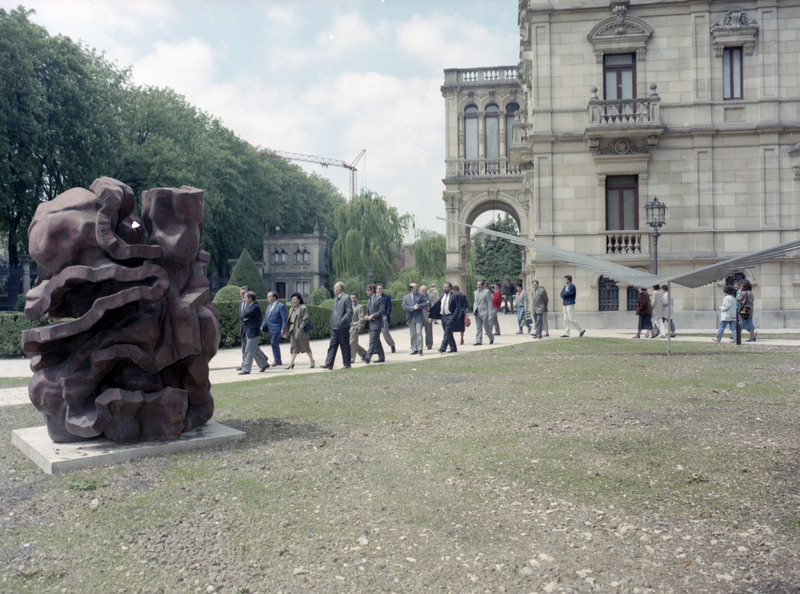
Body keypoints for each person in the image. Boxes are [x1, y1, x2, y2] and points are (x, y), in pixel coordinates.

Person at [321, 281, 354, 369]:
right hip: (335, 326)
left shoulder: (346, 298)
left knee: (344, 345)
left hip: (342, 326)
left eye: (334, 288)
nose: (333, 290)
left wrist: (342, 320)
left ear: (339, 290)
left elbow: (349, 312)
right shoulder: (337, 299)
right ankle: (329, 363)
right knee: (332, 345)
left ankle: (347, 364)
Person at [238, 291, 269, 375]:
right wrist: (244, 316)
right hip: (249, 331)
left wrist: (244, 316)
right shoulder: (250, 306)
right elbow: (242, 315)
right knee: (254, 349)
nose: (244, 299)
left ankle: (246, 369)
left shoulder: (255, 307)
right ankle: (264, 364)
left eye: (246, 298)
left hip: (253, 332)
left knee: (248, 350)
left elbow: (244, 315)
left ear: (250, 298)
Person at [283, 292, 316, 369]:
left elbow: (306, 319)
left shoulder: (303, 308)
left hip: (301, 330)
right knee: (293, 346)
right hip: (292, 330)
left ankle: (312, 360)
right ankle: (291, 363)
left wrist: (301, 327)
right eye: (292, 299)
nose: (293, 301)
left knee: (305, 345)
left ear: (299, 300)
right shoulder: (291, 309)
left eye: (295, 299)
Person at [431, 281, 462, 353]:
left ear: (450, 288)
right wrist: (430, 309)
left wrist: (453, 316)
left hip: (450, 316)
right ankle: (453, 348)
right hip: (443, 317)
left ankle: (443, 348)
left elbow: (457, 307)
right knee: (448, 333)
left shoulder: (454, 295)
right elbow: (437, 304)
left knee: (447, 333)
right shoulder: (442, 295)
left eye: (446, 287)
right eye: (444, 287)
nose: (444, 288)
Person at [261, 291, 288, 366]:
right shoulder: (268, 306)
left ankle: (277, 360)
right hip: (270, 329)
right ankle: (278, 360)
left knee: (274, 343)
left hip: (277, 329)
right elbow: (266, 318)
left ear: (274, 297)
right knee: (274, 344)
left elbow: (284, 318)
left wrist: (283, 329)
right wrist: (262, 326)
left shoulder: (281, 306)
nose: (267, 298)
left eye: (269, 297)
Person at [363, 284, 386, 364]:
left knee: (372, 341)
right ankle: (381, 357)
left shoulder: (379, 299)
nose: (366, 292)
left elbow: (381, 311)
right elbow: (368, 311)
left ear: (372, 290)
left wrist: (372, 316)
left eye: (368, 290)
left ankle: (367, 357)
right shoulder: (369, 300)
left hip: (376, 323)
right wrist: (366, 315)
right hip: (371, 324)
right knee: (376, 341)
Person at [402, 283, 427, 355]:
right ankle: (414, 349)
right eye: (416, 288)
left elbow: (425, 304)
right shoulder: (406, 297)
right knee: (413, 334)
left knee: (419, 333)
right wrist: (412, 308)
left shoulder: (421, 295)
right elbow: (403, 306)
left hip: (418, 317)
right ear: (411, 289)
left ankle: (420, 349)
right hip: (410, 317)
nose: (417, 289)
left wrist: (418, 306)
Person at [472, 279, 494, 345]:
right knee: (478, 327)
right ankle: (478, 341)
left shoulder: (487, 292)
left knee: (486, 327)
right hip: (477, 312)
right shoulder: (475, 292)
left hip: (485, 312)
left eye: (479, 284)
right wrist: (474, 308)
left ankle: (491, 338)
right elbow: (476, 302)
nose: (478, 286)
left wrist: (490, 312)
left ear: (482, 285)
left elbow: (490, 303)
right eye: (477, 284)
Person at [375, 283, 396, 353]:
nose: (380, 290)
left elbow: (389, 307)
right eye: (379, 289)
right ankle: (376, 349)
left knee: (385, 333)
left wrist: (386, 315)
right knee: (375, 334)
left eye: (381, 288)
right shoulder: (373, 297)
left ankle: (392, 345)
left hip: (383, 317)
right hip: (375, 318)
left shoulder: (387, 297)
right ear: (376, 290)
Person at [349, 293, 367, 361]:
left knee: (352, 343)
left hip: (354, 327)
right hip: (347, 327)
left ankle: (352, 358)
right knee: (353, 343)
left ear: (357, 298)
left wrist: (358, 326)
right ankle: (364, 353)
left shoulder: (360, 307)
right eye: (351, 298)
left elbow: (362, 318)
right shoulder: (347, 307)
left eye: (354, 298)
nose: (353, 299)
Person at [236, 285, 249, 370]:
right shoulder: (240, 303)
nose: (241, 295)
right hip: (243, 328)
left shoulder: (251, 303)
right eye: (241, 293)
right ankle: (244, 363)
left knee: (252, 347)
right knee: (244, 346)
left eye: (243, 293)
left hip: (250, 328)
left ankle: (263, 360)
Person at [420, 285, 435, 350]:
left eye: (425, 290)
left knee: (429, 332)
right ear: (420, 291)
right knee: (418, 332)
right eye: (423, 290)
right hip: (419, 317)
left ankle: (429, 344)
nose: (424, 291)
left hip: (428, 316)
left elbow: (433, 306)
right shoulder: (418, 297)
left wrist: (431, 317)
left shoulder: (430, 296)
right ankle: (417, 345)